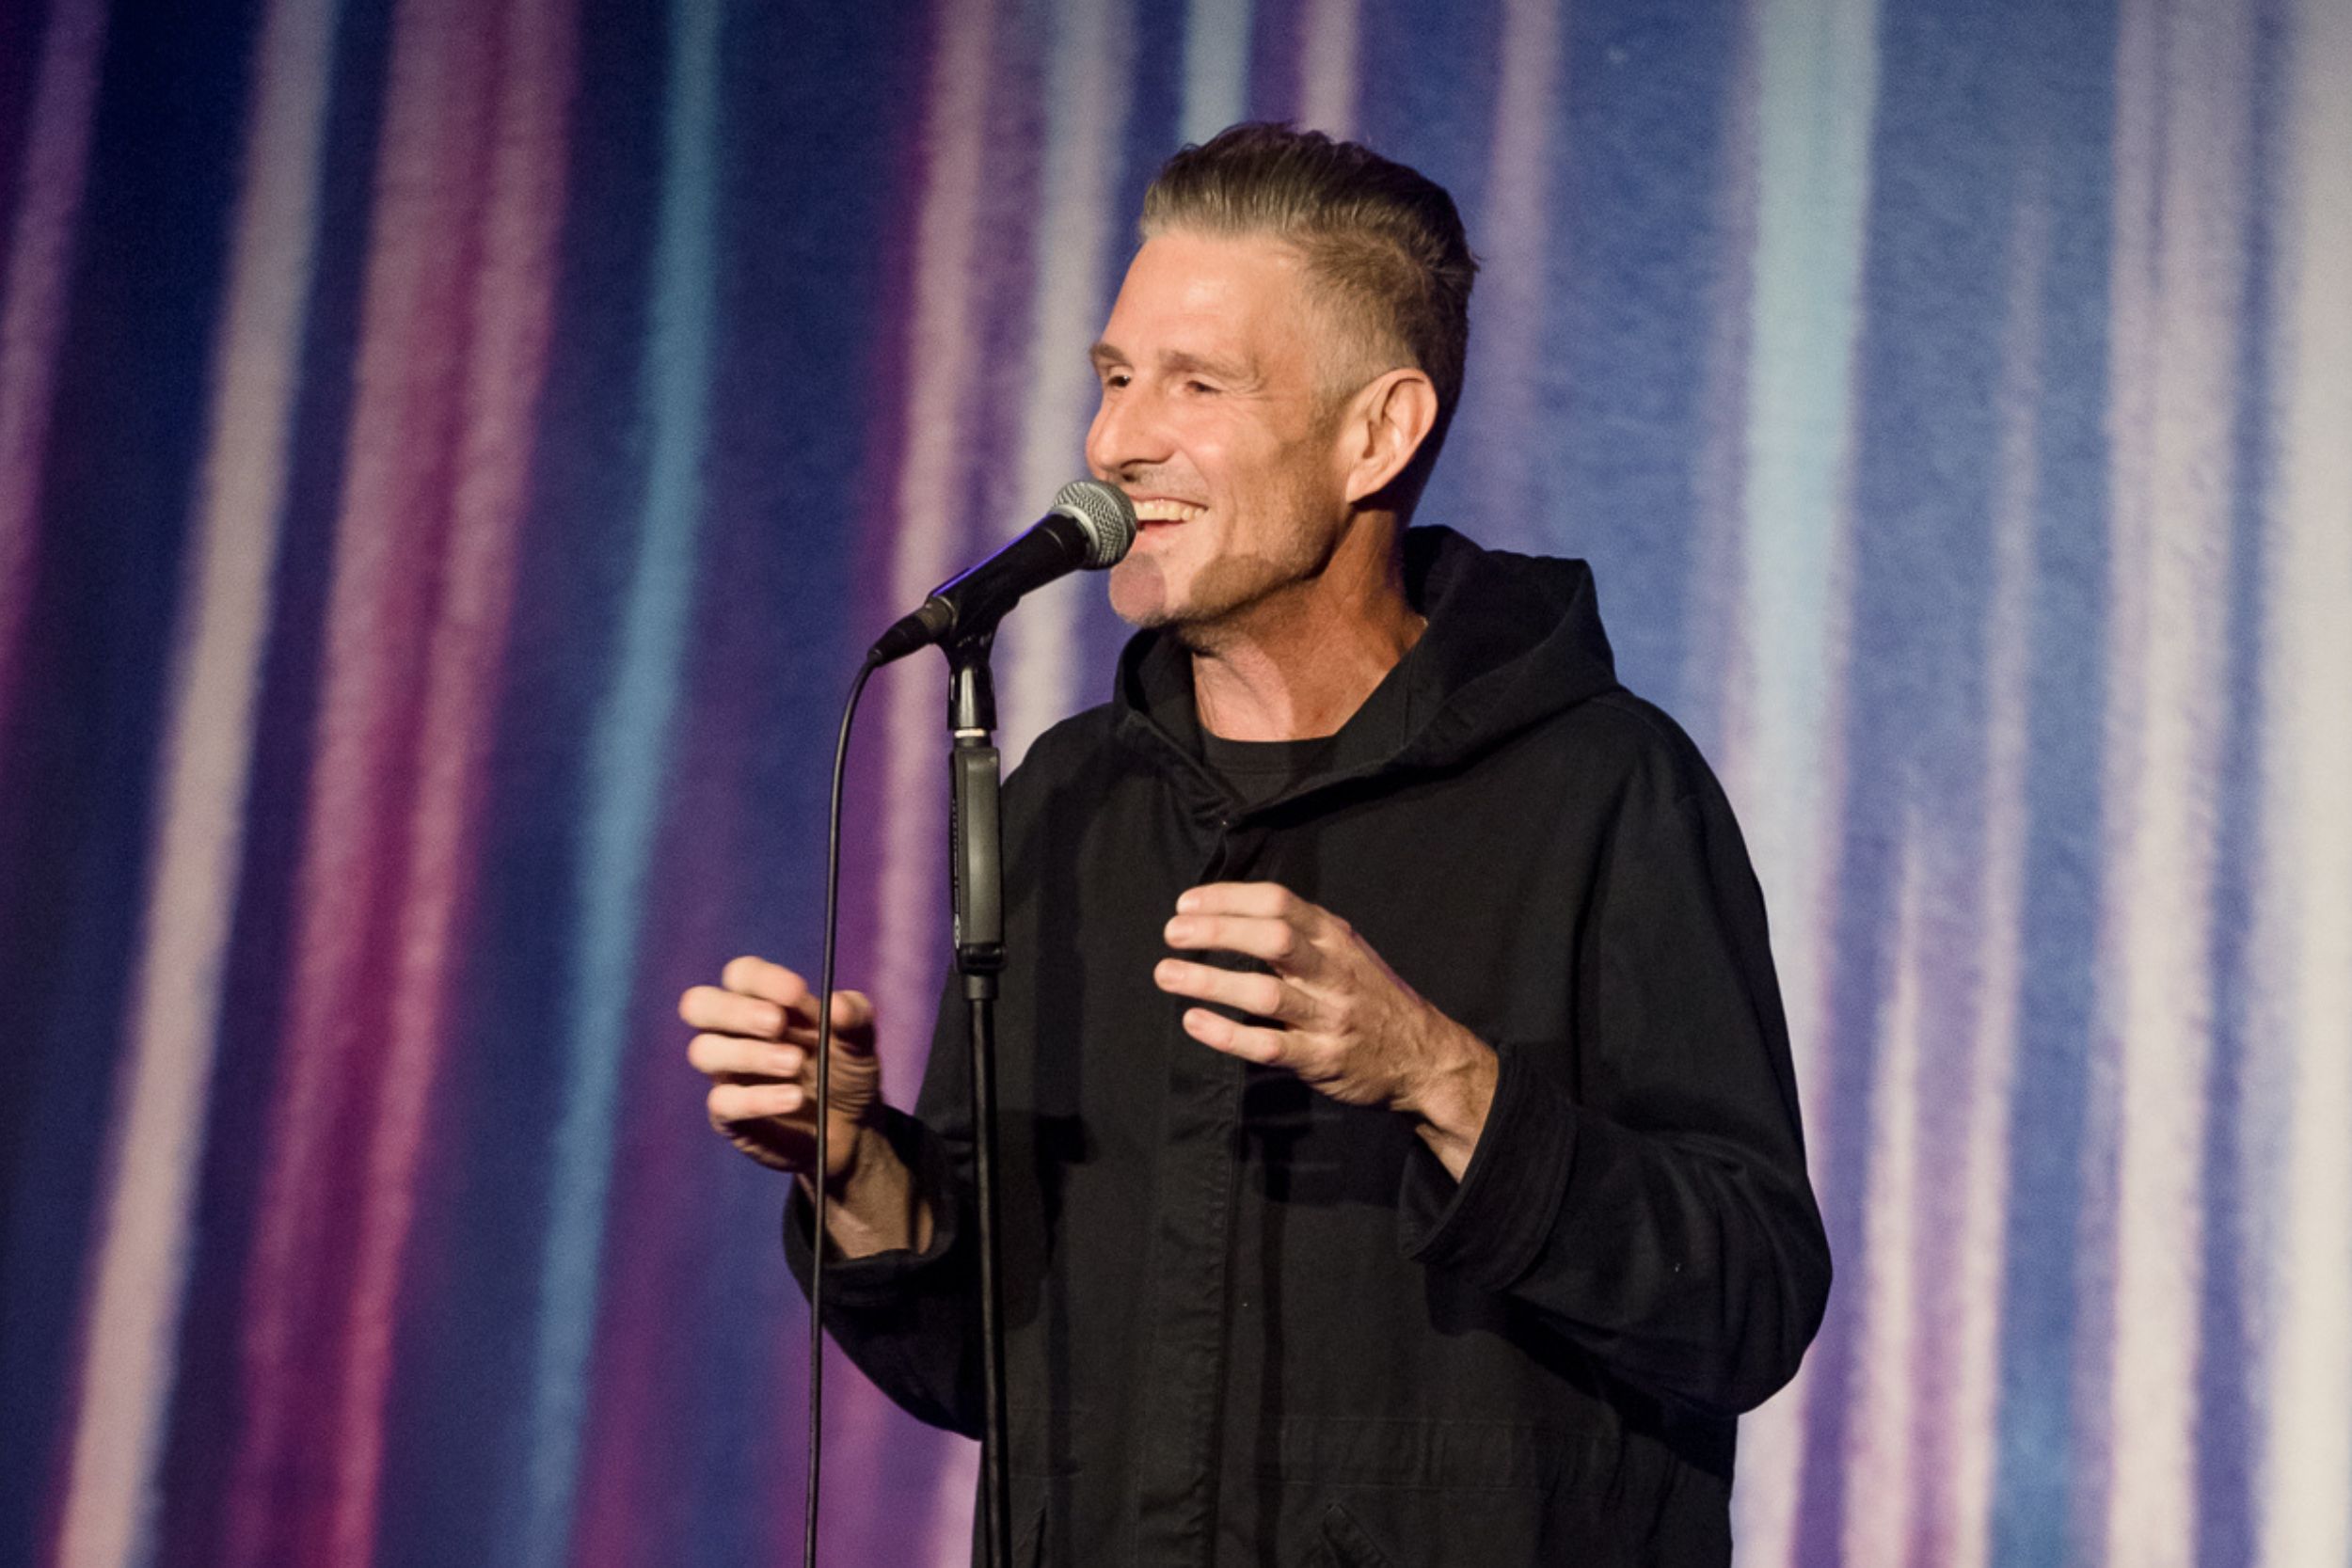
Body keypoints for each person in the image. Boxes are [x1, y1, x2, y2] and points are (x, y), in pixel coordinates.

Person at [681, 123, 1830, 1567]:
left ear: (1378, 432)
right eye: (1112, 379)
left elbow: (1747, 1305)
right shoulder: (1070, 801)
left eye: (1195, 385)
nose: (1113, 442)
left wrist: (1439, 1075)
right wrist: (855, 1170)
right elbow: (998, 1374)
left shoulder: (1605, 789)